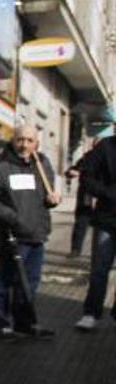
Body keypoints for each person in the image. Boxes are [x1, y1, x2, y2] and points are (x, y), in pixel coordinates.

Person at [0, 124, 59, 339]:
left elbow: (45, 197)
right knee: (4, 279)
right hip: (11, 235)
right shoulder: (1, 166)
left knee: (30, 282)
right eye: (20, 140)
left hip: (36, 234)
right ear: (13, 141)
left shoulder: (41, 164)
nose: (24, 145)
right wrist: (13, 218)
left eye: (29, 141)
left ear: (36, 143)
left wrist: (52, 201)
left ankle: (25, 322)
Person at [76, 134, 116, 331]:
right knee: (100, 269)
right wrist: (108, 192)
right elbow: (86, 177)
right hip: (107, 219)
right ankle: (91, 313)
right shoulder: (105, 147)